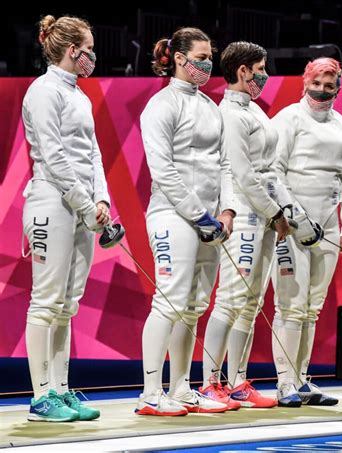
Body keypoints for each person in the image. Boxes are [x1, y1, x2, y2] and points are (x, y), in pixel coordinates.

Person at [136, 27, 236, 417]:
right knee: (170, 300)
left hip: (211, 220)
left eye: (210, 57)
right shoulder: (160, 106)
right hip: (171, 215)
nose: (208, 64)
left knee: (194, 304)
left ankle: (180, 387)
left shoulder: (211, 108)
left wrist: (226, 211)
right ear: (179, 58)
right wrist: (200, 215)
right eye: (201, 56)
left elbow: (225, 164)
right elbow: (163, 170)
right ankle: (149, 392)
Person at [22, 15, 110, 422]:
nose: (93, 54)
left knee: (67, 304)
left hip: (80, 206)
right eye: (89, 47)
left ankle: (59, 388)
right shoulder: (42, 92)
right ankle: (41, 397)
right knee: (45, 301)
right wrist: (83, 202)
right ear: (73, 50)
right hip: (50, 202)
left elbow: (91, 154)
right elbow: (53, 156)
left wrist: (102, 199)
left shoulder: (80, 96)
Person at [200, 41, 291, 409]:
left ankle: (237, 381)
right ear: (244, 71)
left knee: (251, 305)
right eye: (261, 67)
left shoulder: (255, 112)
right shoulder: (231, 115)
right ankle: (209, 383)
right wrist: (274, 212)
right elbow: (243, 175)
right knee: (230, 300)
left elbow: (270, 172)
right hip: (246, 216)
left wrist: (285, 209)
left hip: (265, 217)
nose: (264, 74)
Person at [271, 57, 342, 407]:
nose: (322, 91)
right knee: (291, 306)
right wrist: (295, 217)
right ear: (305, 82)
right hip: (292, 227)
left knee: (312, 308)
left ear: (338, 86)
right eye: (317, 83)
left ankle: (302, 380)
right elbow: (273, 173)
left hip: (330, 227)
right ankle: (283, 383)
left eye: (329, 84)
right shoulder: (289, 118)